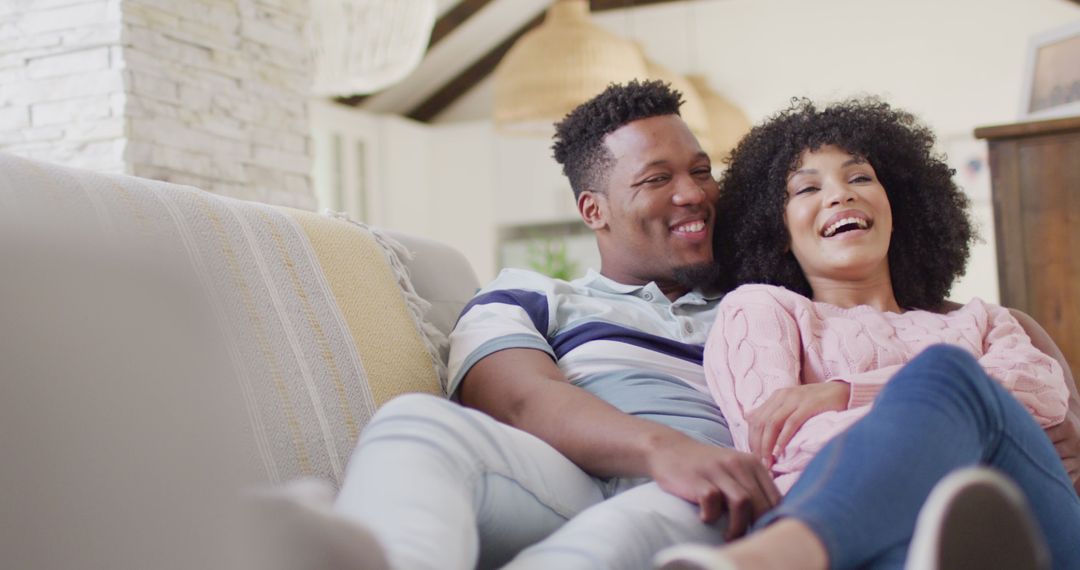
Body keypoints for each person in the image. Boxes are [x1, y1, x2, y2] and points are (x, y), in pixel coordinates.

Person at [328, 80, 779, 570]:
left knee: (627, 531)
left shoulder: (763, 303)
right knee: (414, 421)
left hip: (707, 493)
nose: (693, 193)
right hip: (568, 481)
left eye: (701, 171)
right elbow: (518, 400)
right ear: (594, 209)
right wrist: (660, 448)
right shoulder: (530, 296)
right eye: (656, 179)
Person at [655, 98, 1080, 569]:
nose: (840, 195)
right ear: (778, 230)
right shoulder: (761, 309)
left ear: (897, 207)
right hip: (870, 542)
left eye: (859, 178)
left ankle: (769, 560)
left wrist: (844, 394)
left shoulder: (982, 321)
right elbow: (783, 449)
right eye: (806, 189)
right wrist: (951, 434)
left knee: (949, 372)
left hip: (1027, 524)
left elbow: (1041, 395)